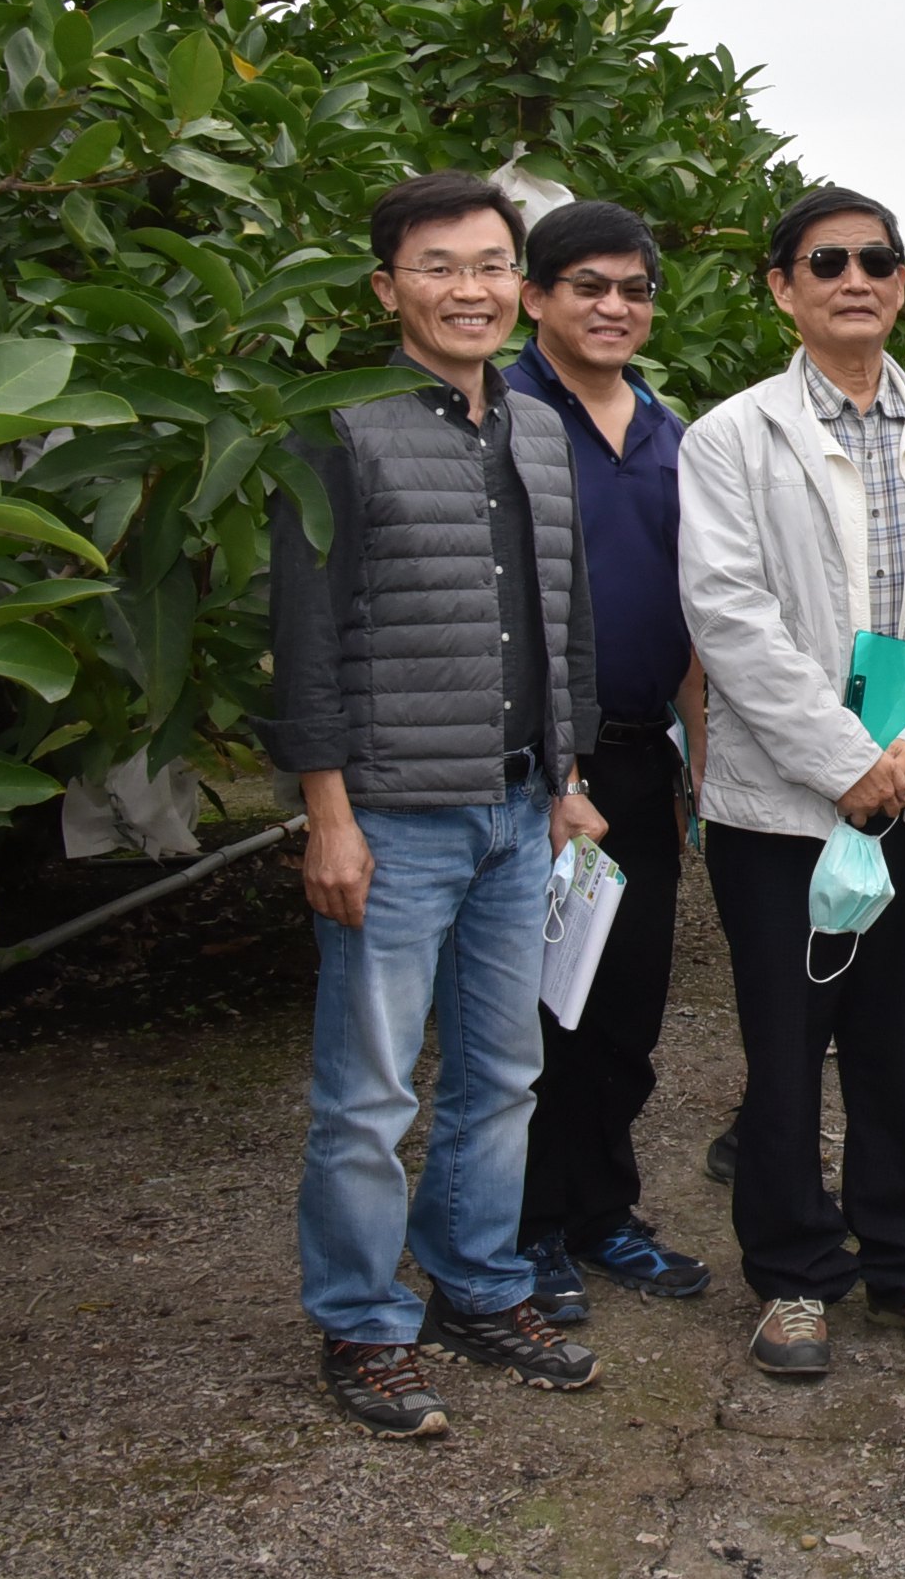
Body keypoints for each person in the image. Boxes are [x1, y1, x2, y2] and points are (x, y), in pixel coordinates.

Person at [259, 169, 609, 1438]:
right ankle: (360, 1318)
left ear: (521, 284)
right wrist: (327, 812)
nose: (470, 291)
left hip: (520, 810)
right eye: (438, 267)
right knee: (366, 1090)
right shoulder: (340, 427)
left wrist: (568, 782)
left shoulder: (536, 423)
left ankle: (474, 1279)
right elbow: (305, 636)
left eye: (490, 266)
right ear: (385, 287)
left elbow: (560, 622)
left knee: (502, 1070)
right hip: (394, 813)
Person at [678, 185, 905, 1376]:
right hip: (784, 805)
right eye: (827, 260)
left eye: (879, 259)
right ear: (781, 285)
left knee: (894, 1030)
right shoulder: (729, 437)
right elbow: (729, 616)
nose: (857, 278)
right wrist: (843, 762)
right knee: (785, 1038)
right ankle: (791, 1274)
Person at [500, 200, 713, 1326]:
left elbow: (693, 614)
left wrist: (701, 766)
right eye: (588, 285)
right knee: (534, 1013)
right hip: (540, 771)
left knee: (625, 1001)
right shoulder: (506, 415)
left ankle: (602, 1213)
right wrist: (554, 775)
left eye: (632, 289)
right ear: (534, 296)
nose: (613, 306)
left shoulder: (672, 433)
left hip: (640, 762)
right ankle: (524, 1228)